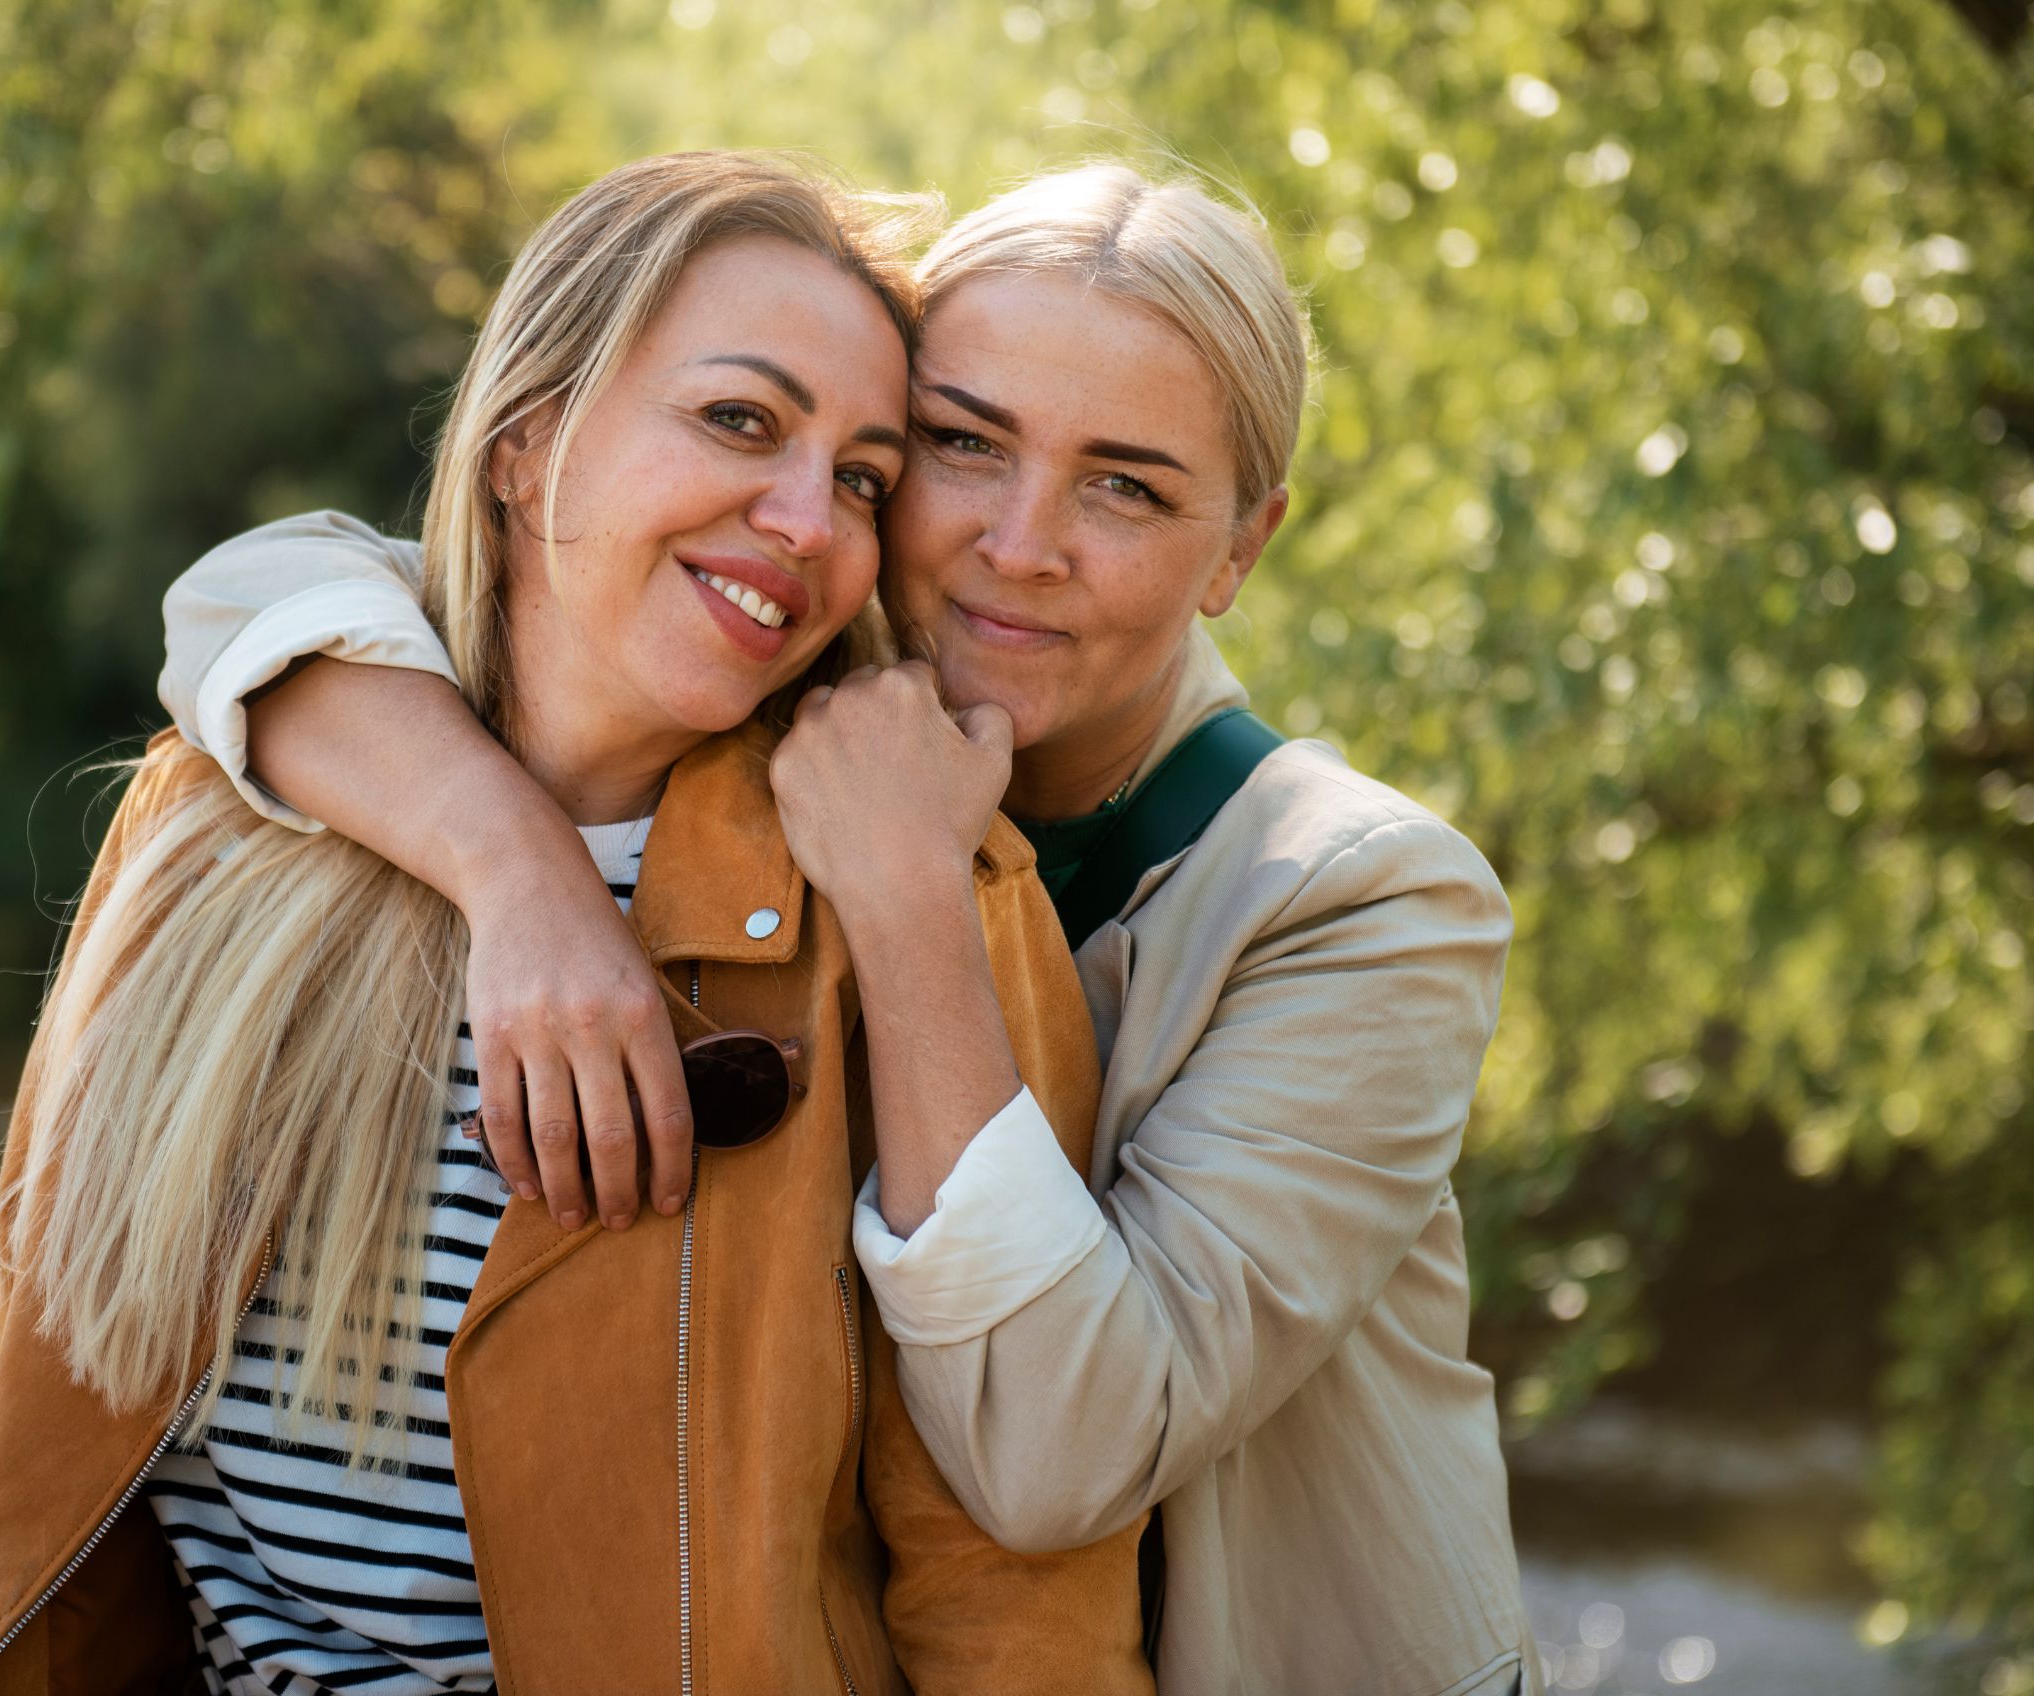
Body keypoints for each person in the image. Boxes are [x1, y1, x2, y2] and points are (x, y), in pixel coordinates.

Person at [151, 162, 1538, 1696]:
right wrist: (518, 872)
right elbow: (267, 594)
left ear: (1240, 549)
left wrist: (907, 894)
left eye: (1126, 486)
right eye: (959, 445)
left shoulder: (1366, 902)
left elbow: (1055, 1454)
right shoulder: (742, 704)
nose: (1022, 542)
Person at [0, 151, 1152, 1696]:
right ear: (528, 443)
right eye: (739, 420)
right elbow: (32, 1379)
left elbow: (1008, 1578)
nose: (804, 518)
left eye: (861, 475)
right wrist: (526, 877)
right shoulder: (215, 823)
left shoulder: (913, 891)